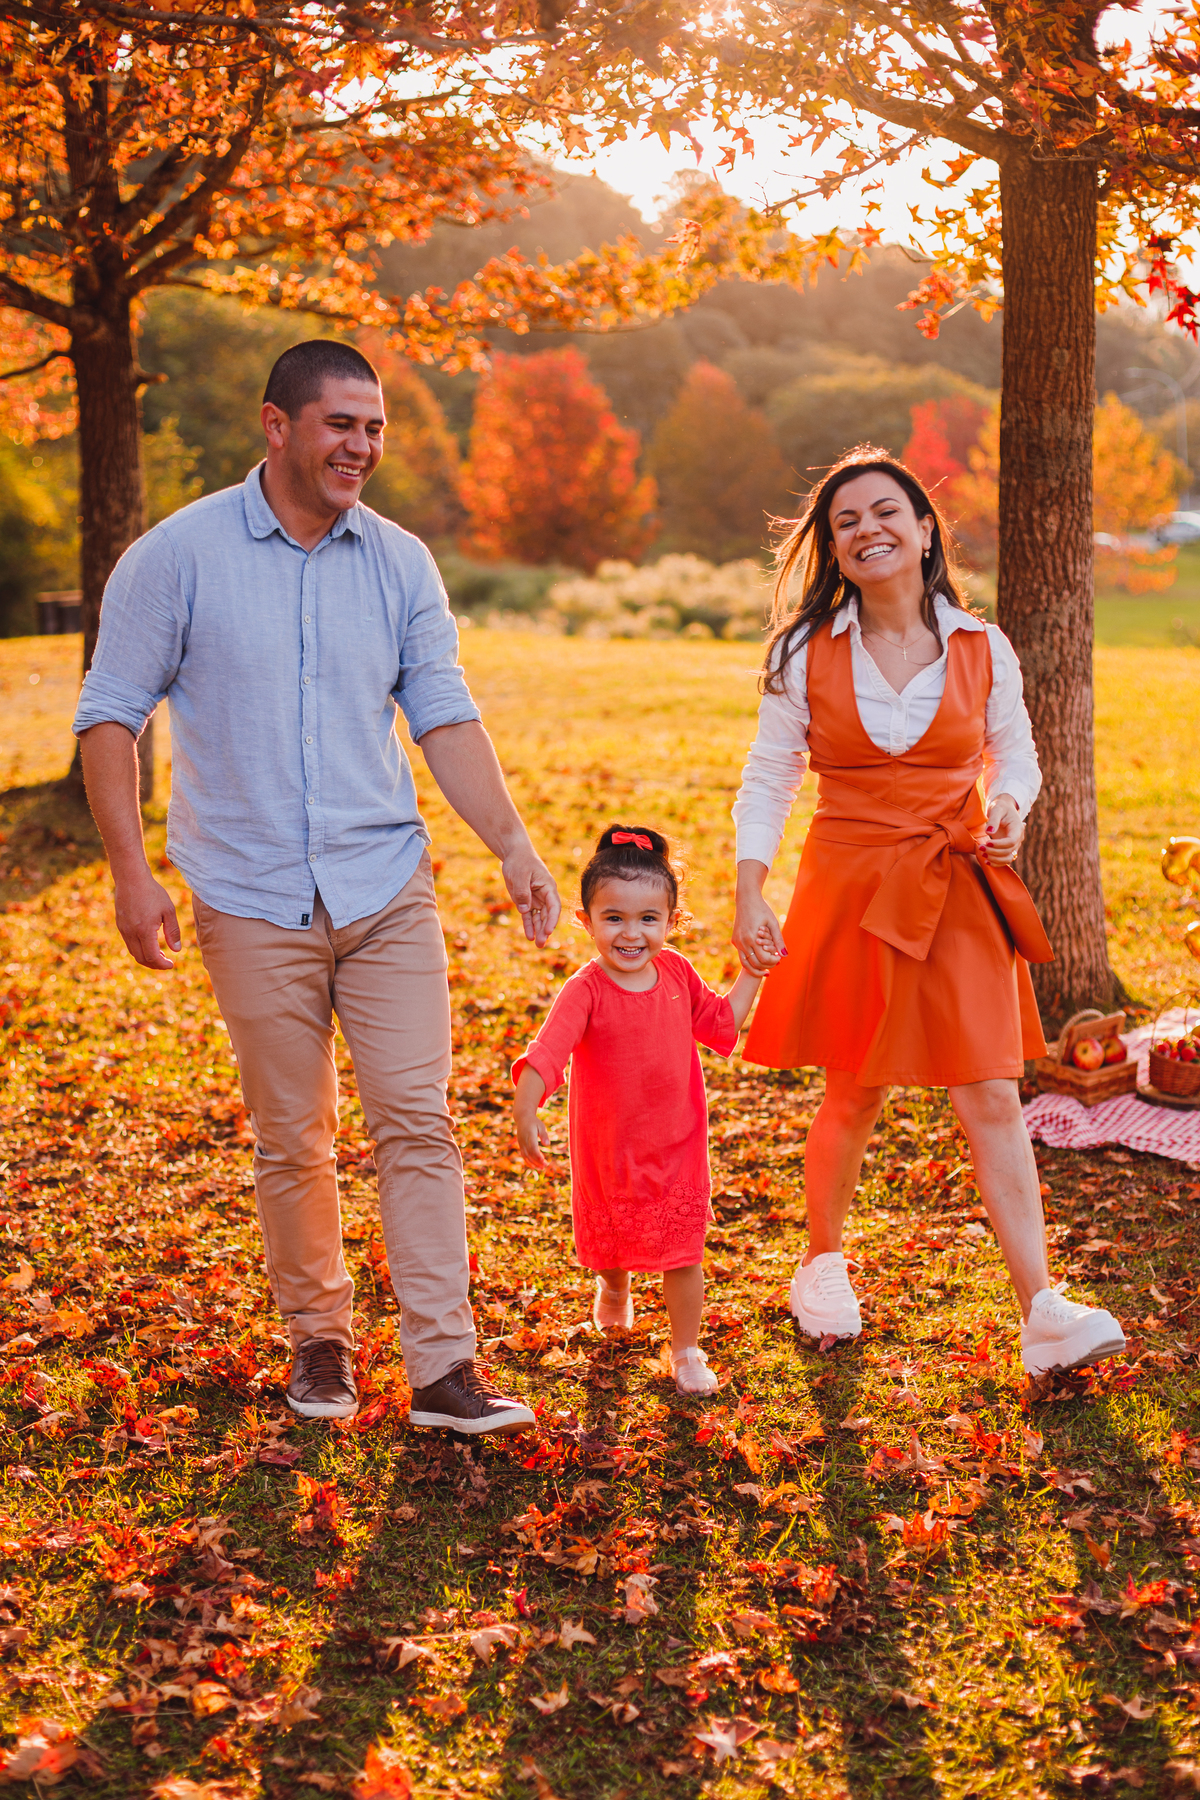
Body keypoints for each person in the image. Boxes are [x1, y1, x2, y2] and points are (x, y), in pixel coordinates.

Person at [73, 338, 560, 1435]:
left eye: (377, 426)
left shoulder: (400, 562)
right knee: (293, 1134)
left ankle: (444, 1367)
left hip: (383, 882)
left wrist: (514, 845)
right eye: (343, 423)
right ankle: (321, 1345)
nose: (364, 445)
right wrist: (130, 870)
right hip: (246, 894)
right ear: (277, 425)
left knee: (417, 1122)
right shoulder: (176, 557)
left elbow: (443, 711)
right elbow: (111, 712)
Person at [731, 449, 1126, 1378]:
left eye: (883, 514)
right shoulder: (803, 651)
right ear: (833, 548)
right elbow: (771, 773)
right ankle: (821, 1264)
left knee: (990, 1089)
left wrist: (1010, 810)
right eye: (845, 524)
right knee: (856, 1088)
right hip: (850, 882)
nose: (866, 531)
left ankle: (1043, 1312)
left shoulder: (983, 646)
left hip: (955, 880)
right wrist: (750, 882)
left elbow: (1016, 754)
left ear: (921, 527)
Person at [512, 826, 766, 1395]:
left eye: (649, 919)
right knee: (610, 1240)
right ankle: (614, 1288)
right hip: (608, 1147)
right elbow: (547, 1054)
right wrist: (526, 1108)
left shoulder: (677, 973)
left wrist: (754, 972)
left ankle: (685, 1348)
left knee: (682, 1250)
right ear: (587, 921)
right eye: (615, 918)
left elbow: (721, 1026)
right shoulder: (586, 990)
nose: (632, 934)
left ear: (672, 921)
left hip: (677, 1143)